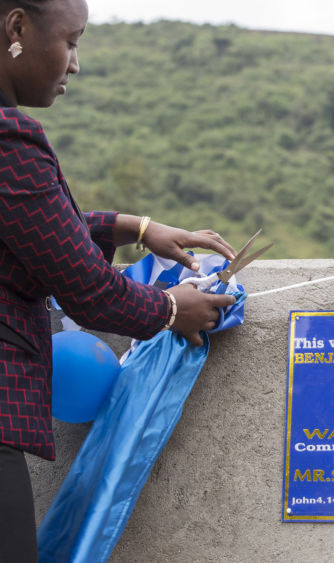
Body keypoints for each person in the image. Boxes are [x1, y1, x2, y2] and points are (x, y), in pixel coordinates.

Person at [0, 0, 238, 559]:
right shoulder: (11, 141)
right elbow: (88, 290)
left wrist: (137, 227)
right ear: (17, 27)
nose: (74, 63)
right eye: (72, 40)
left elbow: (28, 228)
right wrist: (174, 310)